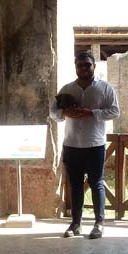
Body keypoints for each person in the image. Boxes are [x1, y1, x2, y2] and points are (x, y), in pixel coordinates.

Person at [49, 50, 120, 239]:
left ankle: (99, 223)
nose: (84, 68)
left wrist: (92, 112)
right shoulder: (67, 89)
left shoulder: (105, 89)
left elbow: (115, 111)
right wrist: (65, 114)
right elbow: (53, 112)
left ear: (94, 66)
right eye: (80, 65)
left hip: (95, 144)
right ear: (76, 67)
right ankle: (75, 224)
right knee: (75, 184)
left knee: (96, 183)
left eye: (87, 64)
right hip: (71, 144)